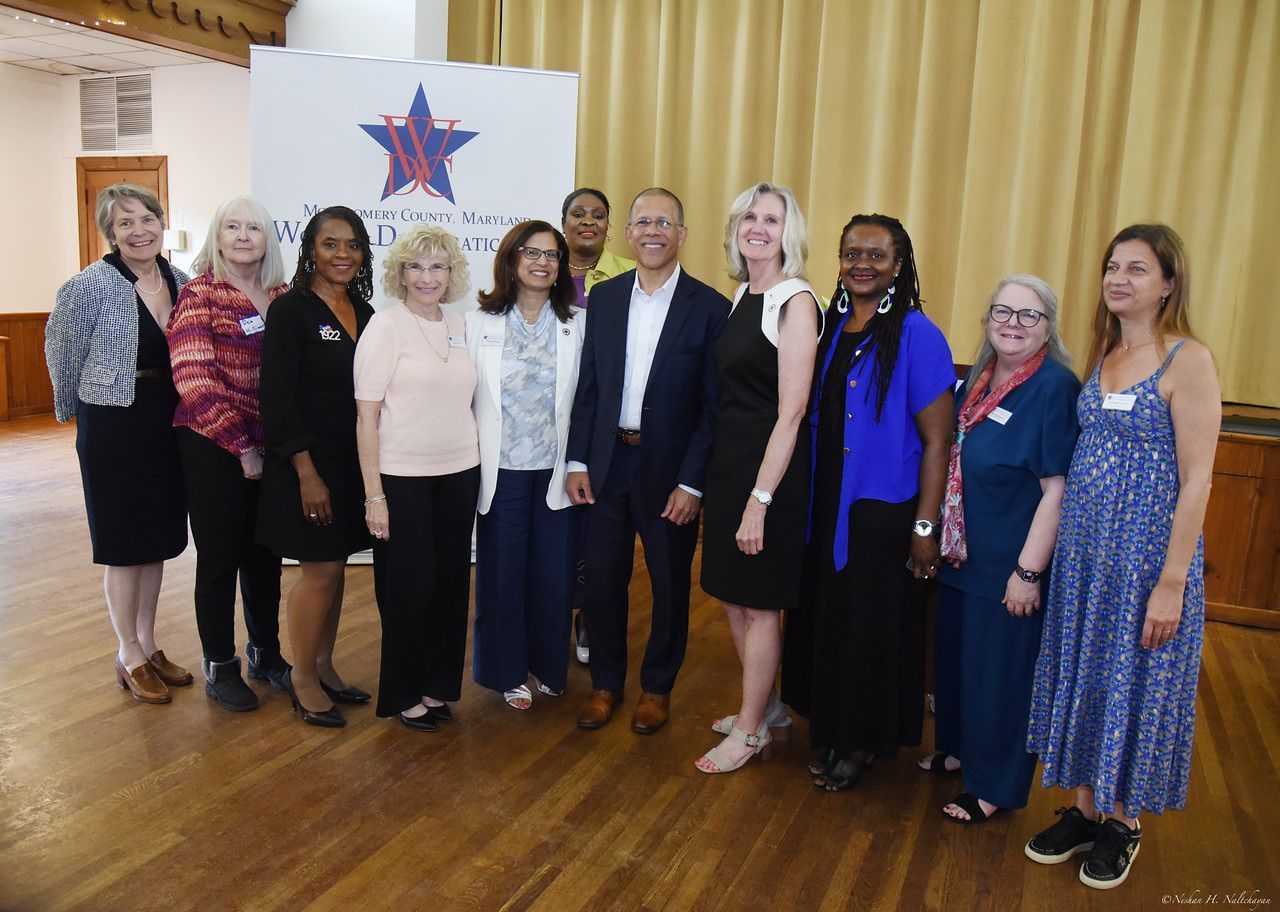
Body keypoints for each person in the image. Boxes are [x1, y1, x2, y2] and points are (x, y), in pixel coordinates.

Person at [1024, 225, 1220, 890]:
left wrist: (1171, 584)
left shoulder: (1187, 359)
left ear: (1168, 283)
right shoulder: (1105, 353)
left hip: (1145, 564)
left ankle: (1123, 823)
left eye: (1137, 269)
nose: (1119, 279)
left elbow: (1198, 480)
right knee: (1086, 676)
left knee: (1134, 684)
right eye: (1112, 267)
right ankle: (1084, 809)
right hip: (1085, 560)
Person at [781, 213, 955, 790]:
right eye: (852, 252)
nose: (862, 264)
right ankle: (832, 729)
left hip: (882, 508)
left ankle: (863, 742)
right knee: (830, 622)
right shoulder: (831, 326)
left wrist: (925, 526)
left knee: (871, 627)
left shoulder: (917, 333)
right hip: (826, 503)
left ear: (898, 265)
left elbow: (937, 441)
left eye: (876, 255)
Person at [566, 188, 731, 733]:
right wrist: (576, 462)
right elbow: (588, 387)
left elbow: (713, 408)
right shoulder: (606, 298)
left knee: (668, 584)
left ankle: (657, 687)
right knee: (603, 581)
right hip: (608, 463)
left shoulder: (710, 308)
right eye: (643, 222)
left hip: (670, 475)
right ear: (629, 233)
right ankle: (606, 684)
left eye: (665, 222)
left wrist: (693, 484)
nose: (653, 231)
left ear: (682, 235)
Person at [922, 275, 1080, 822]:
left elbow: (1056, 491)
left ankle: (993, 786)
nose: (1013, 324)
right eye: (1002, 312)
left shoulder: (1054, 387)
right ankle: (962, 751)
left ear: (1047, 327)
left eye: (1028, 315)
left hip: (1010, 564)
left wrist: (1028, 573)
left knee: (1002, 677)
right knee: (961, 664)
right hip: (965, 554)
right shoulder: (980, 379)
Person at [46, 183, 192, 704]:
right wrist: (71, 412)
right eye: (125, 223)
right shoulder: (88, 285)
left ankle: (150, 644)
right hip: (112, 421)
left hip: (167, 420)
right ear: (110, 233)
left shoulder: (182, 280)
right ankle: (127, 651)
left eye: (146, 219)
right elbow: (60, 350)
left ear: (160, 223)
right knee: (124, 544)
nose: (139, 230)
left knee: (155, 540)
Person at [695, 183, 820, 773]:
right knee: (734, 598)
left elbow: (791, 411)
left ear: (787, 234)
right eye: (750, 215)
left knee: (760, 604)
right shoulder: (744, 293)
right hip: (729, 468)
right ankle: (764, 707)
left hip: (768, 477)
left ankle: (749, 732)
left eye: (772, 219)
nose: (758, 227)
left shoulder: (796, 300)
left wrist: (759, 501)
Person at [168, 196, 291, 712]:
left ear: (268, 239)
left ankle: (266, 653)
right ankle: (220, 665)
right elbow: (194, 378)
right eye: (232, 227)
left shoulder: (285, 296)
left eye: (254, 228)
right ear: (217, 236)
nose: (243, 236)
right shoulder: (201, 294)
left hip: (275, 446)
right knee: (219, 559)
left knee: (265, 558)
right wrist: (242, 447)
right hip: (212, 443)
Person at [355, 225, 479, 732]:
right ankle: (404, 692)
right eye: (416, 266)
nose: (426, 277)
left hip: (461, 472)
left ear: (452, 275)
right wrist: (374, 497)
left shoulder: (461, 325)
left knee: (450, 585)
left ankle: (436, 686)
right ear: (399, 273)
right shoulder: (385, 327)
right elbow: (366, 419)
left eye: (437, 266)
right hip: (402, 477)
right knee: (410, 587)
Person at [257, 206, 374, 728]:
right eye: (331, 244)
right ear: (310, 250)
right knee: (319, 570)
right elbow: (277, 399)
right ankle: (301, 677)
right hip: (307, 467)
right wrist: (306, 473)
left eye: (352, 245)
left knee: (338, 566)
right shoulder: (291, 311)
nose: (342, 254)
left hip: (353, 464)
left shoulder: (366, 312)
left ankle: (325, 665)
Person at [468, 220, 584, 710]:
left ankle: (547, 665)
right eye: (532, 253)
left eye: (552, 255)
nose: (542, 262)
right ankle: (508, 671)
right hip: (500, 473)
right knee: (502, 575)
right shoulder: (478, 321)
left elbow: (587, 401)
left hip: (555, 471)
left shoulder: (578, 323)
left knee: (554, 577)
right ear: (512, 260)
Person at [560, 187, 635, 664]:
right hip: (546, 418)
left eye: (599, 215)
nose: (588, 221)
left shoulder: (628, 274)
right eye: (578, 213)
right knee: (557, 525)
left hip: (599, 418)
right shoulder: (543, 267)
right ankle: (552, 615)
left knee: (594, 528)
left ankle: (589, 618)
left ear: (609, 227)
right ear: (563, 220)